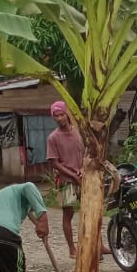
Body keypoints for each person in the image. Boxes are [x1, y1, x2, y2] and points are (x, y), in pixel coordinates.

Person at [46, 101, 85, 258]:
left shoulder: (79, 132)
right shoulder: (53, 138)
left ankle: (99, 245)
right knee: (68, 214)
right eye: (56, 116)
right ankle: (72, 249)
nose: (59, 118)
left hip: (83, 177)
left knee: (90, 211)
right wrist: (73, 176)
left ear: (67, 114)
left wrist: (82, 170)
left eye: (61, 114)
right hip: (64, 180)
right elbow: (54, 162)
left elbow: (86, 152)